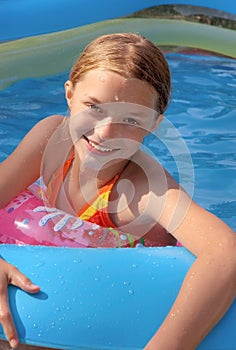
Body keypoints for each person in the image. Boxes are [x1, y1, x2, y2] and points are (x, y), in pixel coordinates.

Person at [0, 32, 235, 350]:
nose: (105, 132)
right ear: (69, 95)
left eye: (130, 119)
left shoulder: (142, 188)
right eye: (93, 107)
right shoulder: (51, 137)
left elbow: (226, 253)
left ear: (154, 125)